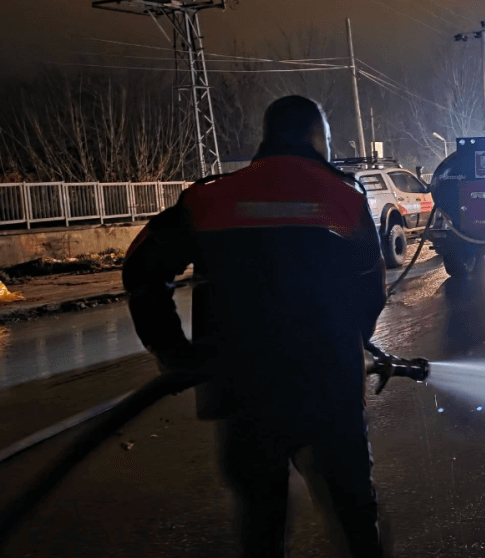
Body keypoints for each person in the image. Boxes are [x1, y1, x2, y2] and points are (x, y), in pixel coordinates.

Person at [122, 95, 387, 557]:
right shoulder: (345, 195)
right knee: (354, 522)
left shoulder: (210, 196)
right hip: (326, 388)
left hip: (239, 391)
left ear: (267, 135)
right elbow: (371, 287)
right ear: (316, 137)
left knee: (261, 523)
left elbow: (141, 267)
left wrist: (174, 353)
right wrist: (355, 344)